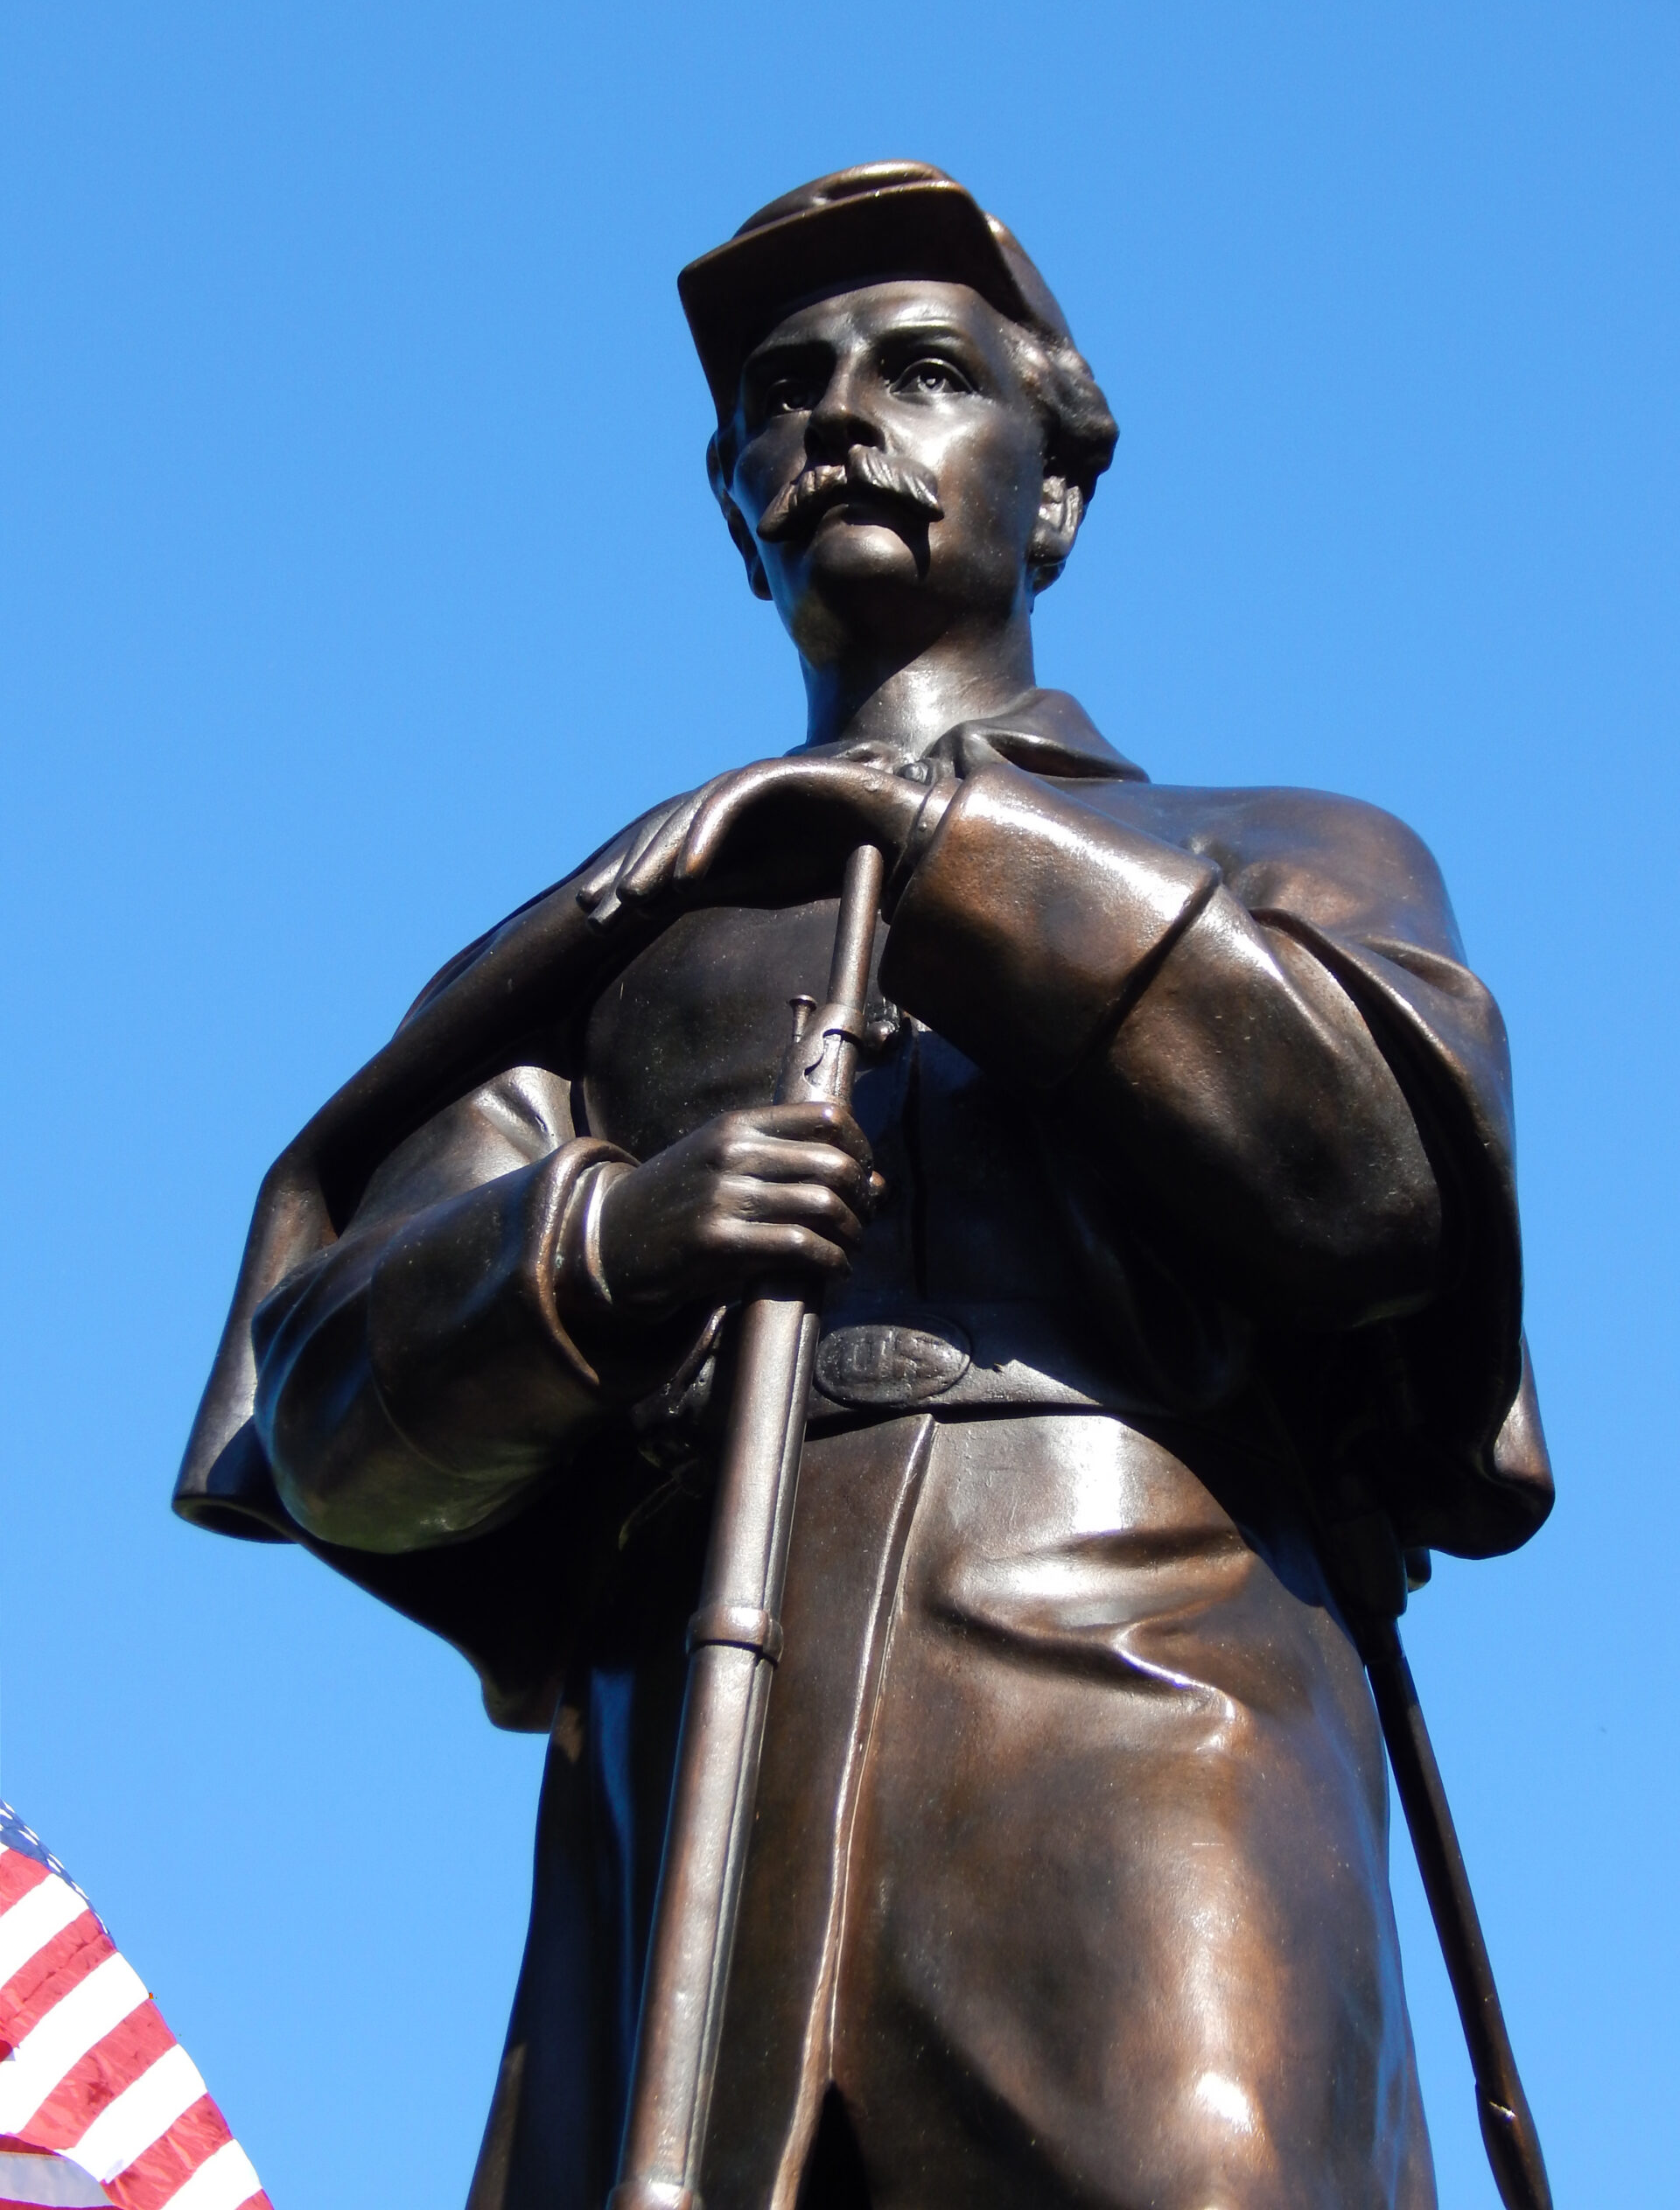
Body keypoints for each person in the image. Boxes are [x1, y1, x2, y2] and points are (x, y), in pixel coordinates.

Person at [176, 164, 1552, 2210]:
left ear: (1054, 493)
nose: (834, 415)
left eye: (923, 372)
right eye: (779, 395)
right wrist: (606, 1243)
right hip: (693, 1810)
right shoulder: (612, 946)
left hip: (1150, 1732)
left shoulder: (1290, 846)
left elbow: (1375, 1199)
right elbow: (339, 1426)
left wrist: (939, 841)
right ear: (736, 512)